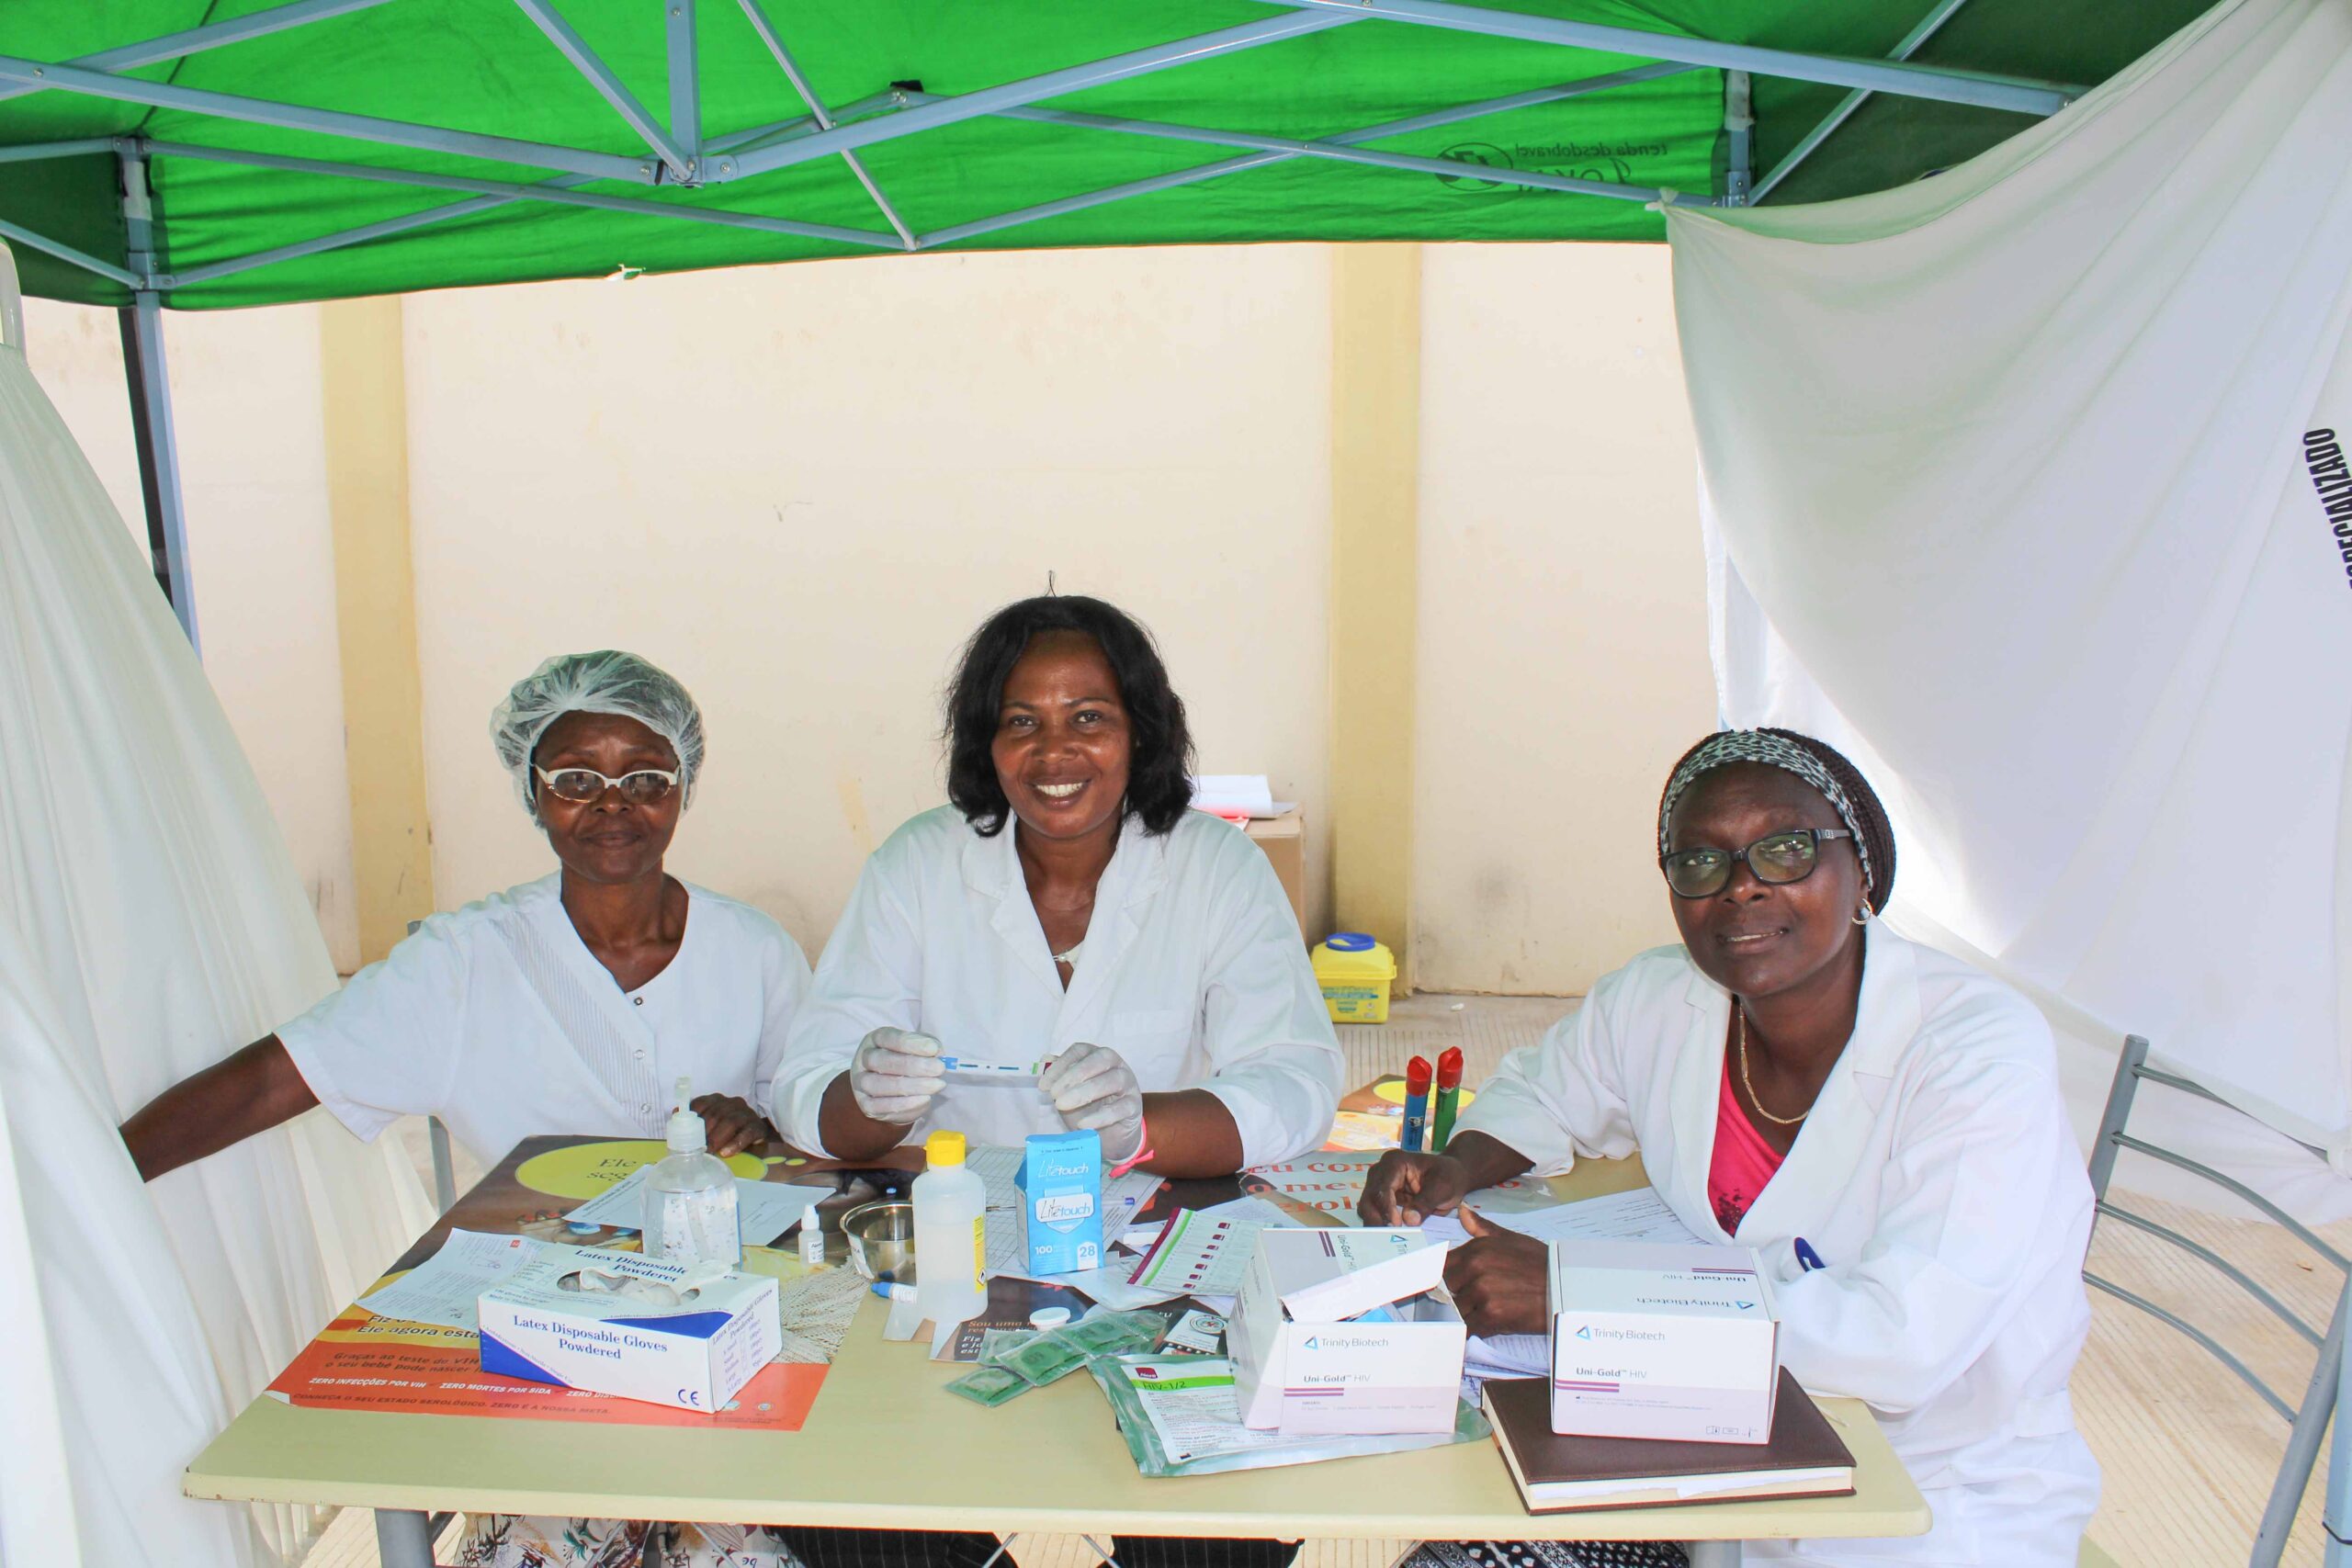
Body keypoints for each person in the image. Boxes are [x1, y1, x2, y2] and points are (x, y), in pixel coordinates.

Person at [118, 649, 813, 1568]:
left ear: (682, 790)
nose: (613, 805)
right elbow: (271, 1080)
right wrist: (94, 1173)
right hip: (542, 1348)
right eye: (576, 780)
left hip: (730, 1332)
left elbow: (815, 1136)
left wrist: (762, 1127)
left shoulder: (754, 952)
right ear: (534, 793)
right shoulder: (462, 966)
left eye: (646, 778)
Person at [1362, 728, 2098, 1567]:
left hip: (1920, 1499)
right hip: (1694, 1461)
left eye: (1785, 849)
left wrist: (1577, 1295)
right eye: (1701, 863)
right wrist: (1461, 1164)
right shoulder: (1664, 996)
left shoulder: (1976, 1051)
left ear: (1861, 869)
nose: (1741, 887)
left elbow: (1903, 1342)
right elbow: (1544, 1091)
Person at [765, 592, 1342, 1568]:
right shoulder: (919, 865)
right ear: (984, 746)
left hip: (1158, 1245)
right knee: (864, 1509)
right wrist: (861, 1099)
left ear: (1140, 732)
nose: (1054, 752)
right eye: (1019, 721)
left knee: (1208, 1545)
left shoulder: (1215, 869)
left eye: (1089, 718)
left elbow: (1297, 1082)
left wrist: (1139, 1128)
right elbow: (807, 1092)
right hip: (945, 1243)